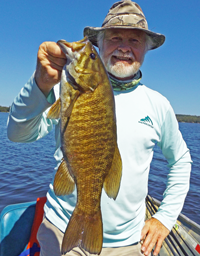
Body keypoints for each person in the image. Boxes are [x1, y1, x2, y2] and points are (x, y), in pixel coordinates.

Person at [7, 1, 192, 256]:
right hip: (61, 230)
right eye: (115, 37)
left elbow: (181, 161)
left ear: (146, 49)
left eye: (135, 40)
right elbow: (18, 134)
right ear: (100, 43)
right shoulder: (64, 89)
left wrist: (165, 217)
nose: (124, 47)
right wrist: (39, 84)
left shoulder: (158, 105)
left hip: (128, 242)